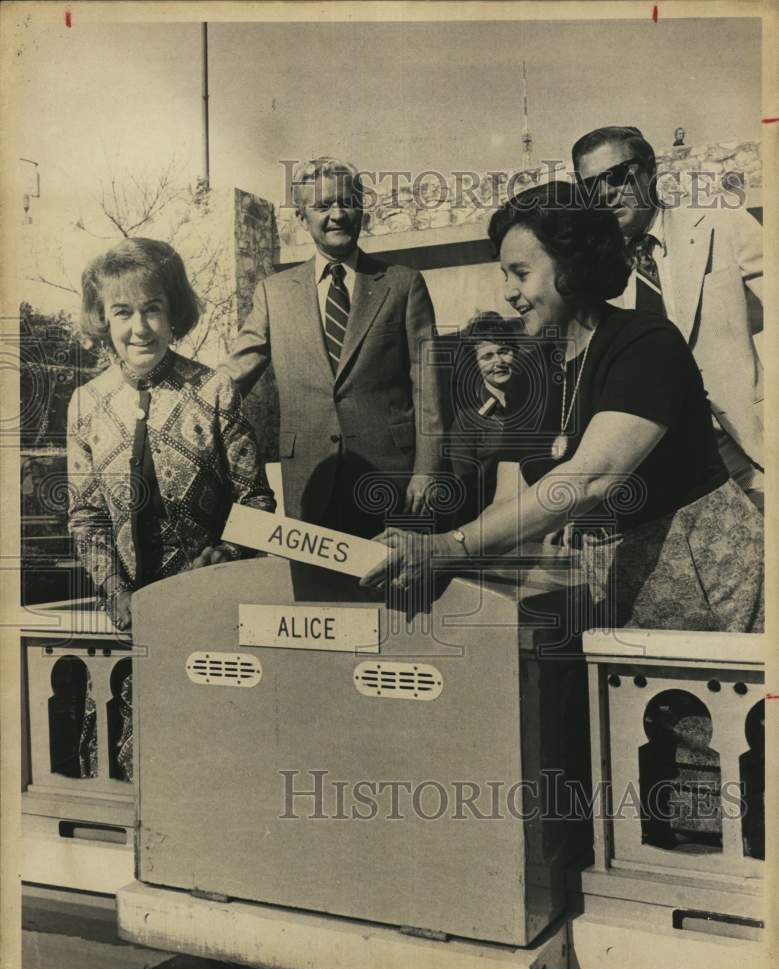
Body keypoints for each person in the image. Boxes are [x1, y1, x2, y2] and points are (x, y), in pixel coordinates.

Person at [361, 182, 764, 634]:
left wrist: (451, 546)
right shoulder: (535, 374)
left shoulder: (645, 343)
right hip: (613, 588)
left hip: (708, 577)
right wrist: (436, 551)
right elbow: (508, 501)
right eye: (505, 276)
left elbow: (589, 479)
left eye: (521, 273)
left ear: (573, 267)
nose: (509, 293)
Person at [68, 238, 276, 777]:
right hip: (131, 623)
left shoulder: (213, 391)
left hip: (212, 616)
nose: (140, 328)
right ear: (103, 319)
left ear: (173, 313)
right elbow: (86, 517)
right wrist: (119, 598)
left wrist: (223, 560)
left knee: (213, 771)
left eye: (153, 309)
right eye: (123, 312)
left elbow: (257, 503)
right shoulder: (86, 403)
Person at [220, 157, 448, 542]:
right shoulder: (273, 293)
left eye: (347, 202)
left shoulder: (403, 284)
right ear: (302, 218)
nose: (337, 215)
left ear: (362, 209)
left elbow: (428, 387)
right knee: (315, 594)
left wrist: (427, 469)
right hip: (309, 477)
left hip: (391, 477)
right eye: (323, 206)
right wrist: (178, 398)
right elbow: (236, 372)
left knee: (394, 589)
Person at [571, 125, 764, 508]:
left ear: (649, 169)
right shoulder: (596, 277)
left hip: (755, 441)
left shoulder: (719, 223)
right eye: (591, 185)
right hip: (677, 472)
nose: (606, 193)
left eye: (616, 177)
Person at [448, 311, 534, 524]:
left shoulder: (537, 403)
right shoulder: (467, 421)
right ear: (474, 365)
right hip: (495, 523)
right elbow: (465, 494)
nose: (499, 361)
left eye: (504, 351)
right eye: (487, 356)